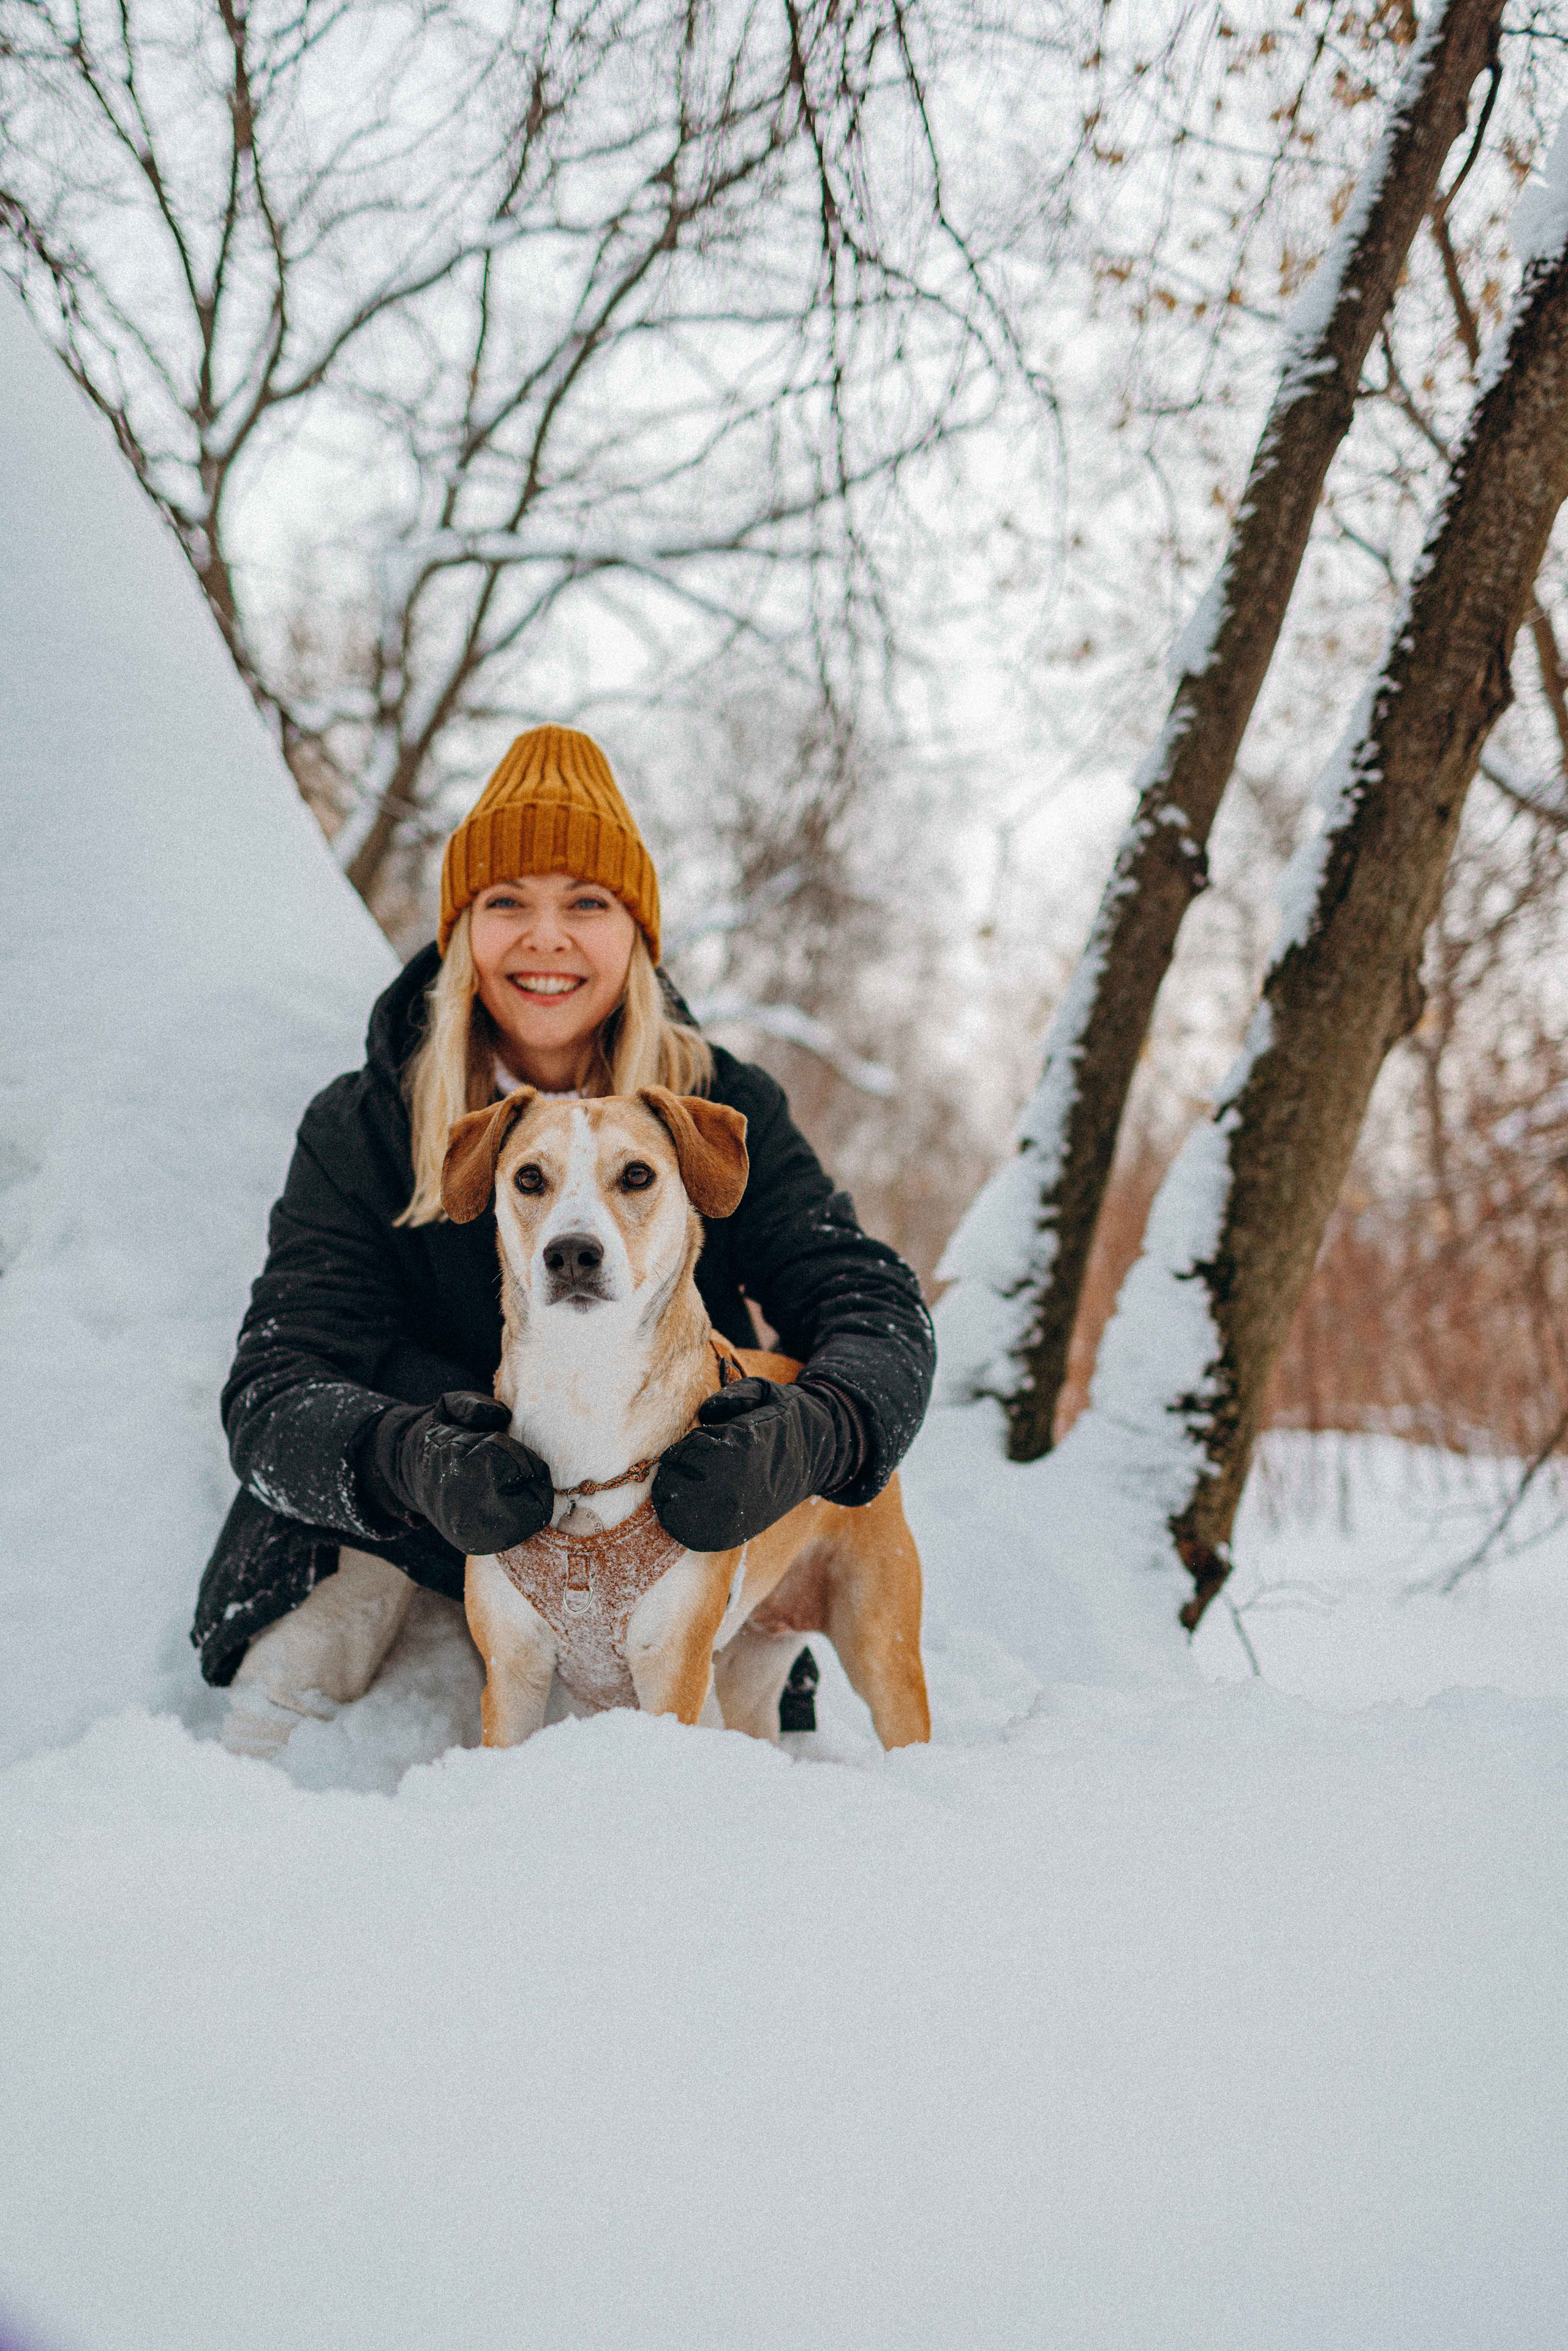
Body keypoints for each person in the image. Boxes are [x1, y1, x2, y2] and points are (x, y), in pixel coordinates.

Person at [193, 725, 935, 1756]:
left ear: (634, 931)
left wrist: (812, 1435)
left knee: (700, 1777)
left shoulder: (714, 1106)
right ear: (461, 932)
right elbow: (273, 1389)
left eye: (587, 903)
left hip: (663, 1525)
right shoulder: (367, 1123)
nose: (547, 938)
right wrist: (406, 1459)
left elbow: (872, 1303)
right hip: (418, 1540)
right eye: (507, 903)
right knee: (313, 1720)